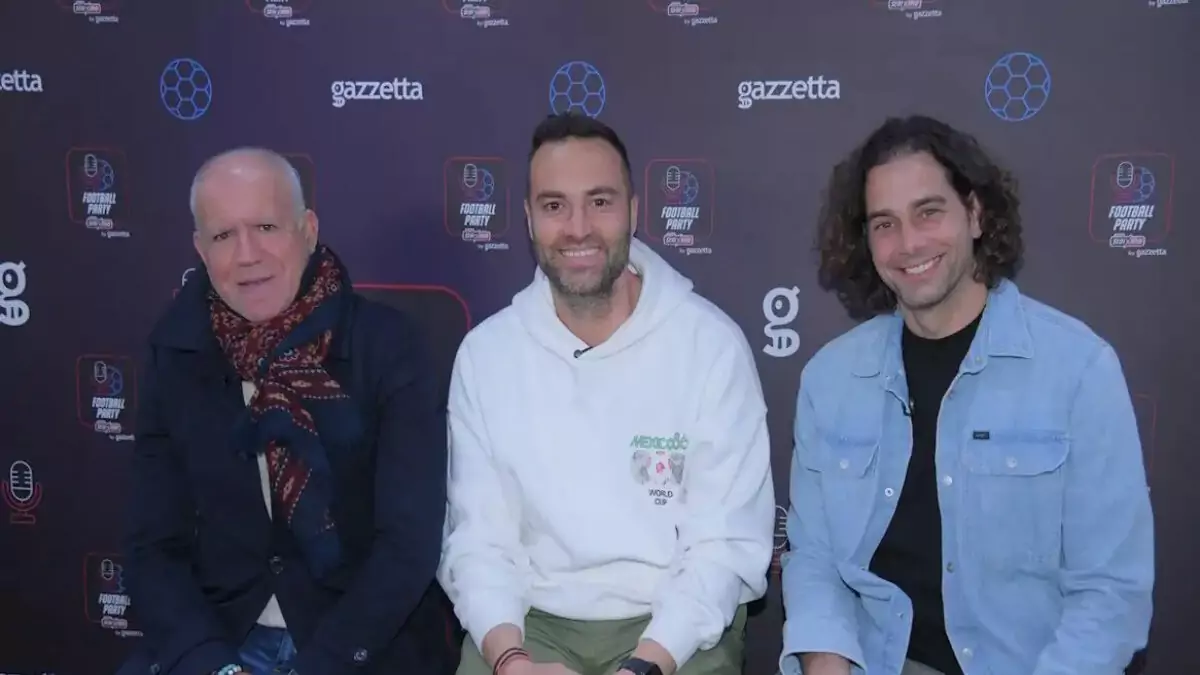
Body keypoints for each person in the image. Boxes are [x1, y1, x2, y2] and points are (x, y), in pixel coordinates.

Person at [779, 115, 1155, 675]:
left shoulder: (1078, 370)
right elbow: (813, 560)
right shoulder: (829, 379)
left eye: (929, 212)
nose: (909, 243)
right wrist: (825, 665)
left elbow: (1111, 594)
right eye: (885, 223)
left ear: (975, 214)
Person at [437, 112, 776, 675]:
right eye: (554, 205)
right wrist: (511, 661)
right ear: (528, 219)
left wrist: (645, 666)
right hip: (531, 624)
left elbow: (723, 547)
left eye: (600, 201)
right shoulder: (487, 355)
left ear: (634, 211)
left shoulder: (710, 346)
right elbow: (479, 543)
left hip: (675, 627)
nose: (578, 229)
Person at [119, 147, 458, 675]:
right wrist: (213, 665)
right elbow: (152, 547)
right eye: (223, 235)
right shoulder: (176, 353)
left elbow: (408, 545)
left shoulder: (388, 347)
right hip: (223, 638)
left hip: (358, 646)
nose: (247, 254)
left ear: (308, 230)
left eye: (266, 227)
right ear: (200, 250)